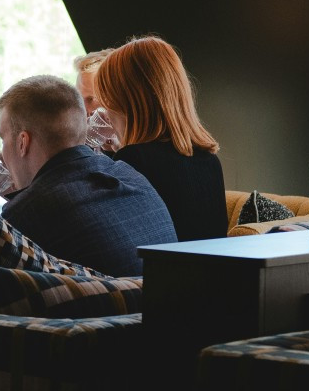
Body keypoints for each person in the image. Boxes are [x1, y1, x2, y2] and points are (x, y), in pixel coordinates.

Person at [0, 75, 176, 276]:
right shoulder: (133, 177)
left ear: (22, 142)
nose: (3, 154)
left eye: (3, 139)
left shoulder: (26, 213)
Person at [95, 35, 227, 241]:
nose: (106, 112)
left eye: (108, 99)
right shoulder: (209, 161)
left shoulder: (135, 160)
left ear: (127, 102)